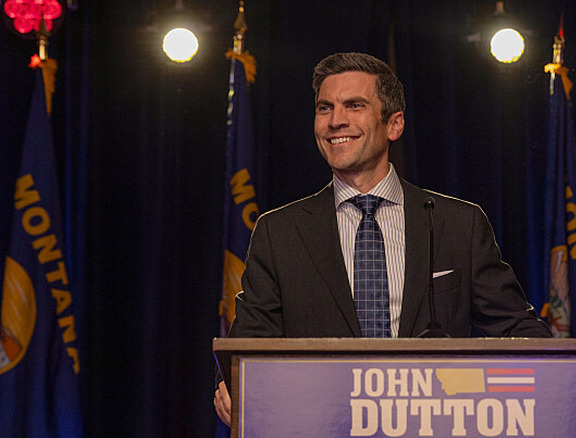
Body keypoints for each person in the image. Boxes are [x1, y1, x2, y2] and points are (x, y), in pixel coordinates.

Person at [214, 52, 550, 426]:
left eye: (353, 105)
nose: (335, 120)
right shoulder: (279, 232)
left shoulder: (459, 224)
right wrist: (234, 385)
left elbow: (519, 332)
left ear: (394, 124)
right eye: (325, 108)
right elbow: (246, 348)